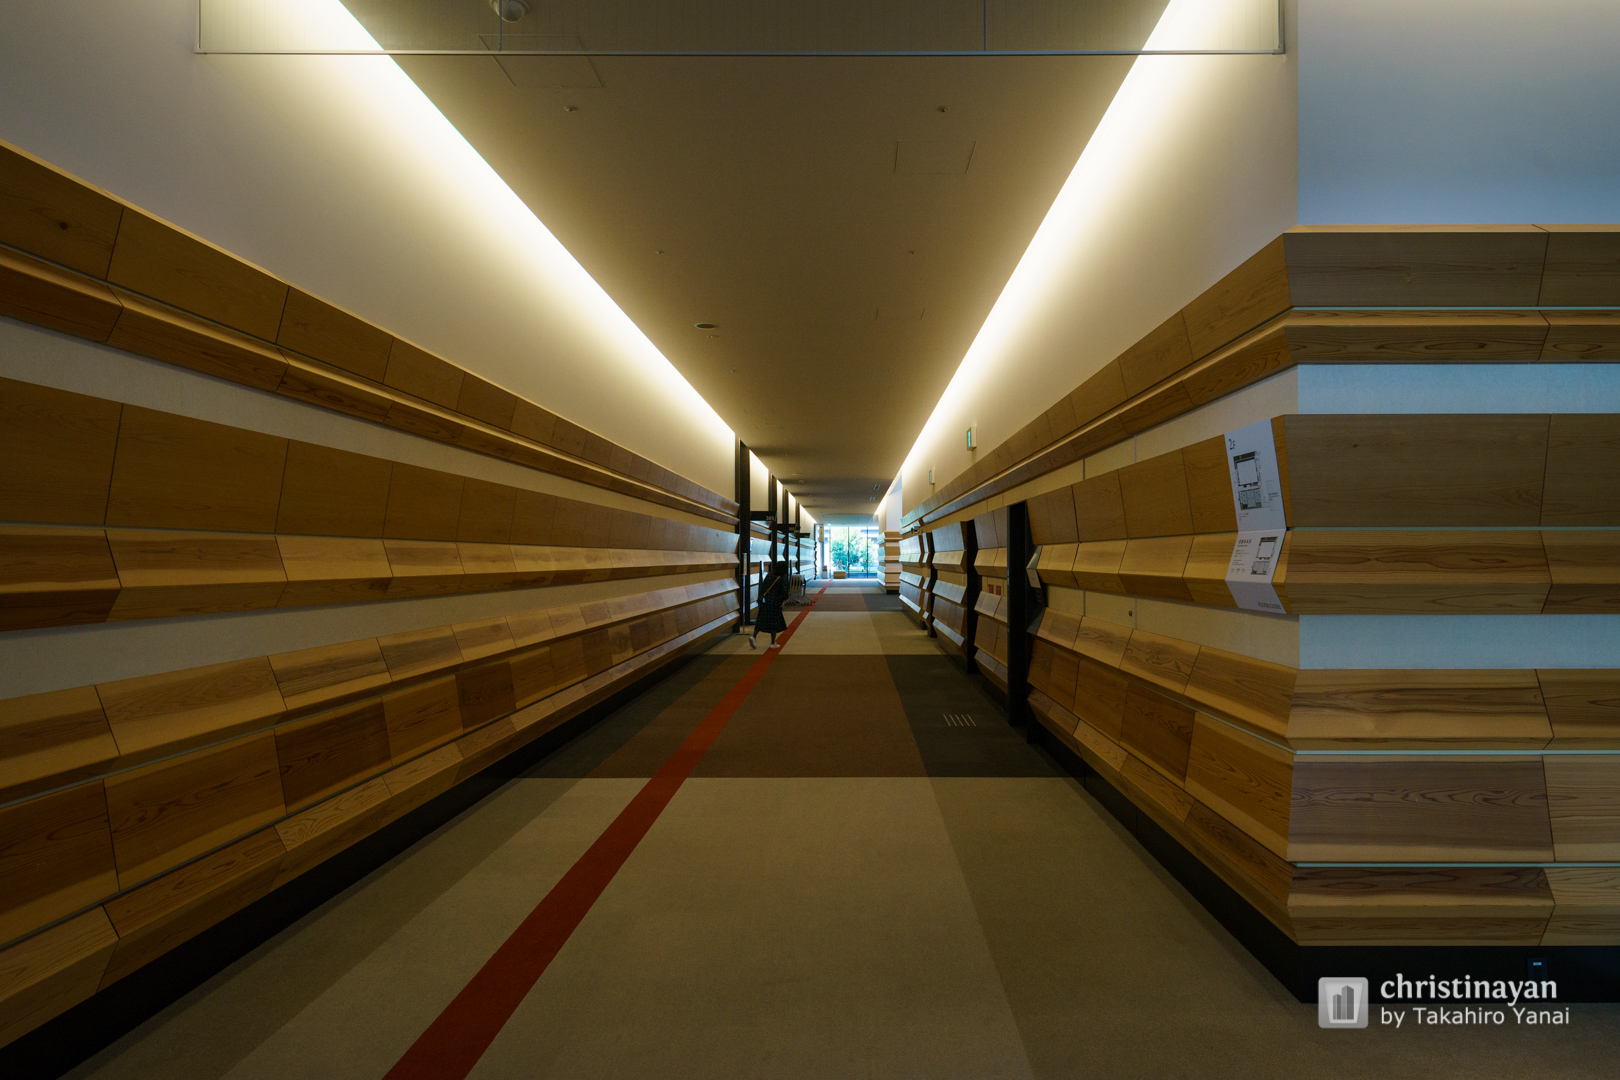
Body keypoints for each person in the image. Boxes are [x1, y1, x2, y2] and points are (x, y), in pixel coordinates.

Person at [750, 564, 790, 649]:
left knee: (761, 619)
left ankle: (753, 636)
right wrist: (784, 600)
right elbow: (784, 590)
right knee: (774, 623)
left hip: (766, 601)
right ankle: (772, 643)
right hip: (776, 602)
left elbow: (763, 587)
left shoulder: (769, 575)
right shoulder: (781, 578)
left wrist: (760, 596)